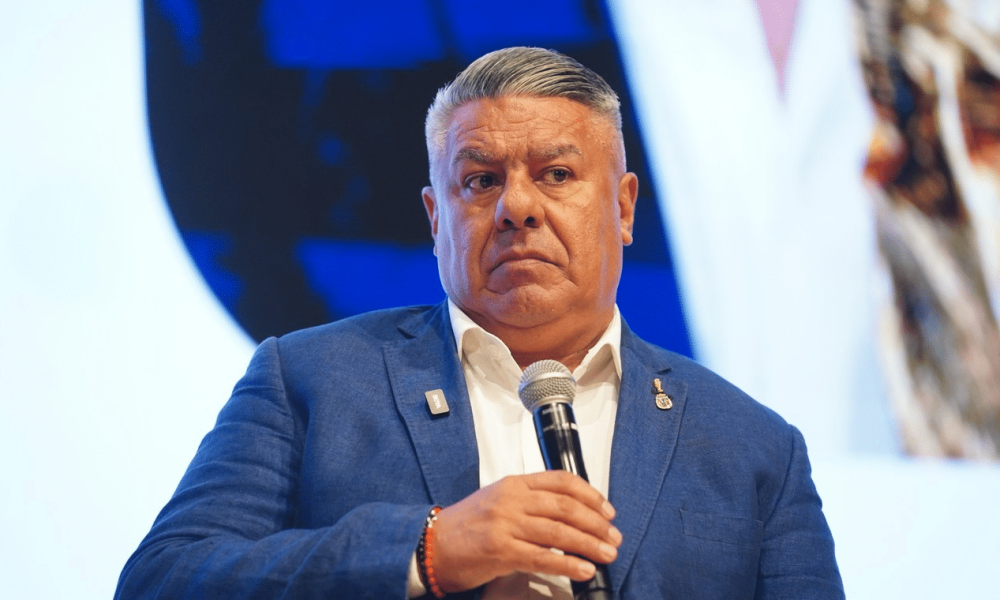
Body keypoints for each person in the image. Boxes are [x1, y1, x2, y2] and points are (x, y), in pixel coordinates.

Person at [115, 47, 844, 599]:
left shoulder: (755, 448)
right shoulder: (308, 381)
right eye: (480, 180)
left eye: (556, 174)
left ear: (622, 208)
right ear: (436, 219)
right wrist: (428, 551)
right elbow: (163, 579)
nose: (516, 207)